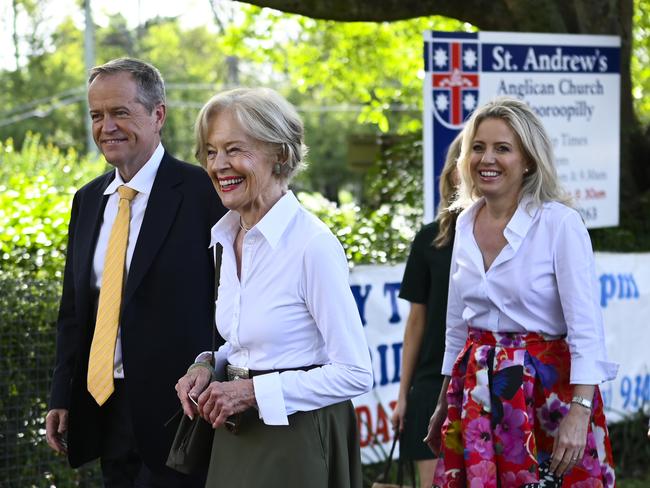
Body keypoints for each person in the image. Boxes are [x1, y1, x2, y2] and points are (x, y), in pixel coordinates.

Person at [174, 87, 373, 487]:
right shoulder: (227, 237)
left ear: (280, 154)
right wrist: (207, 364)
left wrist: (252, 393)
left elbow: (355, 373)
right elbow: (251, 343)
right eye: (210, 152)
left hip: (296, 439)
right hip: (234, 435)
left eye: (234, 149)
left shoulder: (312, 245)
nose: (219, 165)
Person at [45, 57, 226, 487]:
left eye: (120, 112)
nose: (106, 126)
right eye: (96, 115)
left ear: (158, 114)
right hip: (103, 409)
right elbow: (74, 311)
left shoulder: (203, 193)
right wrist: (61, 394)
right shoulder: (87, 201)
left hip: (182, 414)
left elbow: (231, 301)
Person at [424, 97, 618, 487]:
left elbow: (585, 329)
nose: (486, 159)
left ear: (528, 160)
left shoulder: (560, 224)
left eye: (502, 148)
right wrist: (444, 400)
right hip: (476, 391)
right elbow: (455, 327)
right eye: (478, 147)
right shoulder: (464, 224)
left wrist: (580, 412)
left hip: (547, 393)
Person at [390, 131, 462, 488]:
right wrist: (404, 396)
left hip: (492, 381)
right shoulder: (431, 239)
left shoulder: (516, 238)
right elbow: (416, 323)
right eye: (467, 158)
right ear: (451, 174)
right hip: (432, 383)